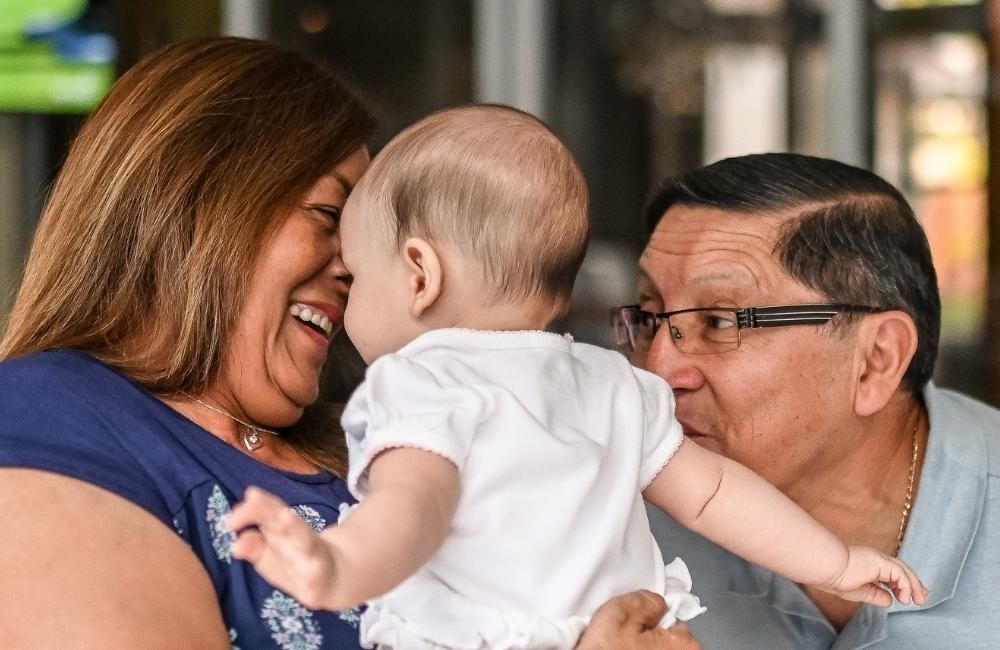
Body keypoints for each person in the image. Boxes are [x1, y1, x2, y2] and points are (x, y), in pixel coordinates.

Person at [0, 37, 699, 650]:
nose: (358, 265)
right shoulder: (52, 417)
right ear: (194, 206)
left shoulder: (379, 432)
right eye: (332, 214)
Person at [225, 106, 925, 650]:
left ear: (419, 273)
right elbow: (716, 497)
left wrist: (335, 564)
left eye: (358, 268)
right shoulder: (609, 382)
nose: (347, 286)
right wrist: (833, 562)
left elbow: (414, 508)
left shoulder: (423, 383)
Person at [620, 152, 1000, 649]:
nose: (658, 371)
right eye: (648, 318)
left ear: (875, 361)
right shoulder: (610, 505)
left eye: (717, 322)